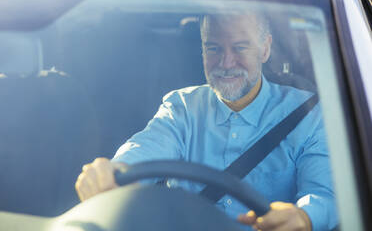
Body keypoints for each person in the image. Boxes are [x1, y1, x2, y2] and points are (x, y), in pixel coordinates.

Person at [75, 12, 337, 231]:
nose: (225, 62)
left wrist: (304, 217)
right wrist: (113, 172)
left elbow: (326, 195)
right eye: (213, 48)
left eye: (239, 47)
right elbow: (145, 147)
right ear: (201, 50)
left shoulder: (308, 114)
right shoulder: (182, 107)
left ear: (265, 48)